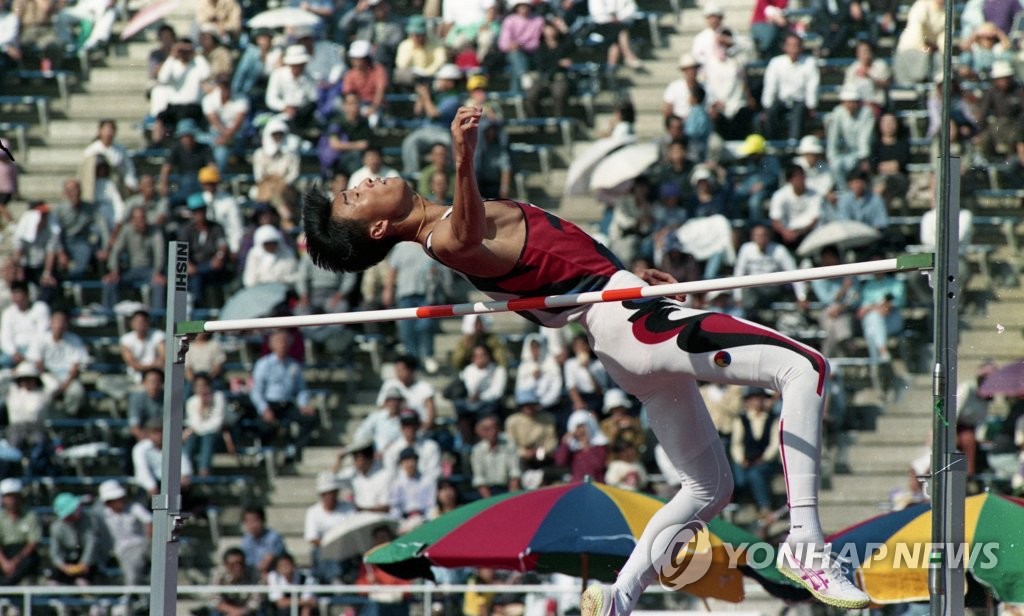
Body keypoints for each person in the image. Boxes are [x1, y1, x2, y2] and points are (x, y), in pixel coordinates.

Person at [302, 106, 870, 610]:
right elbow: (469, 232)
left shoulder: (455, 235)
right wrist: (462, 155)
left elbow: (555, 288)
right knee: (805, 368)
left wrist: (625, 276)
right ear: (379, 226)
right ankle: (806, 544)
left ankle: (618, 596)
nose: (367, 179)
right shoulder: (445, 238)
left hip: (621, 329)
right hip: (629, 326)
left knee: (706, 489)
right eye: (357, 195)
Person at [250, 329, 319, 463]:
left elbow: (301, 389)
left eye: (284, 341)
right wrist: (264, 408)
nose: (282, 345)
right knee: (264, 424)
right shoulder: (264, 364)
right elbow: (256, 391)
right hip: (270, 403)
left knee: (310, 418)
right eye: (278, 341)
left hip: (287, 404)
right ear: (272, 345)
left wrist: (303, 404)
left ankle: (293, 448)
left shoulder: (294, 365)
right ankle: (263, 451)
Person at [103, 204, 167, 311]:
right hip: (131, 270)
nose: (140, 221)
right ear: (132, 220)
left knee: (159, 283)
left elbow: (160, 254)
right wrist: (114, 271)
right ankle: (109, 316)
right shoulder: (126, 230)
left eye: (143, 218)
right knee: (109, 281)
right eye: (137, 218)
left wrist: (157, 272)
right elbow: (116, 251)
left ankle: (157, 318)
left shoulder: (155, 231)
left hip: (150, 270)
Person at [730, 388, 781, 521]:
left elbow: (775, 444)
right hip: (745, 459)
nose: (757, 401)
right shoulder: (741, 419)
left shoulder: (772, 419)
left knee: (754, 475)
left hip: (764, 461)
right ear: (747, 402)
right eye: (754, 398)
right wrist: (741, 459)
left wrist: (764, 458)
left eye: (760, 398)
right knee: (740, 480)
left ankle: (764, 508)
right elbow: (737, 443)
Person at [30, 309, 90, 416]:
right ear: (50, 322)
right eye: (57, 321)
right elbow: (37, 362)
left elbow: (75, 366)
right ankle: (46, 419)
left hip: (67, 377)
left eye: (63, 321)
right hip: (47, 376)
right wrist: (48, 379)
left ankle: (69, 418)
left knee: (77, 392)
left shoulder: (74, 340)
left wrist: (64, 385)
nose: (60, 325)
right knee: (45, 392)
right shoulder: (40, 339)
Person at [761, 33, 820, 141]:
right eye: (790, 45)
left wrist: (812, 105)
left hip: (800, 102)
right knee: (770, 113)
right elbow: (770, 86)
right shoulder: (776, 62)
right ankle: (774, 142)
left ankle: (793, 143)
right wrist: (767, 106)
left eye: (796, 45)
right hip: (781, 101)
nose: (794, 48)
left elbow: (812, 86)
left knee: (799, 113)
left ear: (801, 47)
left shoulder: (809, 63)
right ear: (785, 47)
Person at [95, 480, 151, 588]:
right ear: (108, 502)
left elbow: (149, 521)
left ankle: (130, 595)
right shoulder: (103, 514)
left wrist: (149, 540)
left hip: (140, 546)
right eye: (115, 500)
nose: (120, 502)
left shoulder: (134, 508)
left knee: (135, 564)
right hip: (120, 550)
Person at [48, 492, 108, 586]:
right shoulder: (56, 527)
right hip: (67, 561)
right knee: (52, 583)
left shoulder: (89, 521)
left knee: (83, 582)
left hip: (88, 562)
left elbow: (91, 544)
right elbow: (55, 552)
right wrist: (63, 566)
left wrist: (84, 564)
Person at [304, 472, 354, 583]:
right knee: (321, 553)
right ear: (321, 495)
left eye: (332, 493)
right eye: (326, 493)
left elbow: (352, 532)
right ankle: (335, 579)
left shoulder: (348, 509)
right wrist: (329, 544)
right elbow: (312, 538)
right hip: (323, 549)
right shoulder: (313, 512)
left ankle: (333, 579)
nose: (329, 496)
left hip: (344, 548)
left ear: (337, 493)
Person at [184, 372, 228, 476]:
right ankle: (185, 472)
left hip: (217, 437)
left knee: (208, 437)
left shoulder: (219, 398)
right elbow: (195, 424)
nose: (201, 389)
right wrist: (202, 407)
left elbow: (217, 423)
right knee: (190, 439)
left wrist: (200, 428)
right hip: (198, 436)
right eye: (198, 386)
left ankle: (204, 470)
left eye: (204, 385)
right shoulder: (192, 402)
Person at [0, 478, 41, 586]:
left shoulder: (30, 516)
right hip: (5, 553)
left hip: (23, 554)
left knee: (31, 559)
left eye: (14, 496)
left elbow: (33, 542)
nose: (12, 500)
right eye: (8, 496)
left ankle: (6, 585)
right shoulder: (0, 518)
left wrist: (15, 562)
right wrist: (4, 562)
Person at [0, 280, 50, 368]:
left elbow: (42, 334)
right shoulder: (8, 313)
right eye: (14, 294)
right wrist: (14, 353)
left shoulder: (40, 308)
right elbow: (5, 337)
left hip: (36, 351)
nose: (17, 298)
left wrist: (29, 355)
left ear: (27, 294)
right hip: (15, 353)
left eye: (19, 293)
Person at [470, 414, 521, 498]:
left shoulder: (509, 444)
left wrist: (512, 497)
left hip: (507, 488)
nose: (492, 432)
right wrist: (490, 501)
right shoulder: (477, 450)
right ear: (480, 432)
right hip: (488, 491)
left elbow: (515, 473)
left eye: (494, 428)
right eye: (487, 429)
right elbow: (479, 479)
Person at [554, 409, 609, 482]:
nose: (581, 431)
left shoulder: (600, 446)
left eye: (583, 426)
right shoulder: (572, 449)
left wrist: (586, 445)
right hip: (576, 486)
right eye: (578, 427)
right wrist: (566, 442)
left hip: (596, 485)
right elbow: (560, 462)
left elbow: (598, 465)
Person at [210, 547, 263, 616]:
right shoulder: (218, 573)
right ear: (226, 565)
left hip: (247, 610)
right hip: (226, 610)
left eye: (241, 563)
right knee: (214, 611)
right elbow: (215, 598)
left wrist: (241, 612)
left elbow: (256, 599)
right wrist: (232, 611)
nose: (238, 567)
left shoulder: (254, 573)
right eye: (233, 565)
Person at [119, 309, 165, 384]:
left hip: (157, 376)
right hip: (134, 378)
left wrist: (144, 368)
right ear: (131, 323)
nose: (140, 324)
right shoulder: (125, 339)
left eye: (142, 321)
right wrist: (152, 366)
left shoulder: (158, 335)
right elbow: (133, 364)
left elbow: (163, 358)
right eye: (137, 321)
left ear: (148, 322)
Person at [239, 505, 286, 579]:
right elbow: (247, 562)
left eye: (255, 520)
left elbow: (266, 564)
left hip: (274, 575)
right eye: (248, 521)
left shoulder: (273, 537)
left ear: (263, 520)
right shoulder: (246, 539)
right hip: (255, 574)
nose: (252, 525)